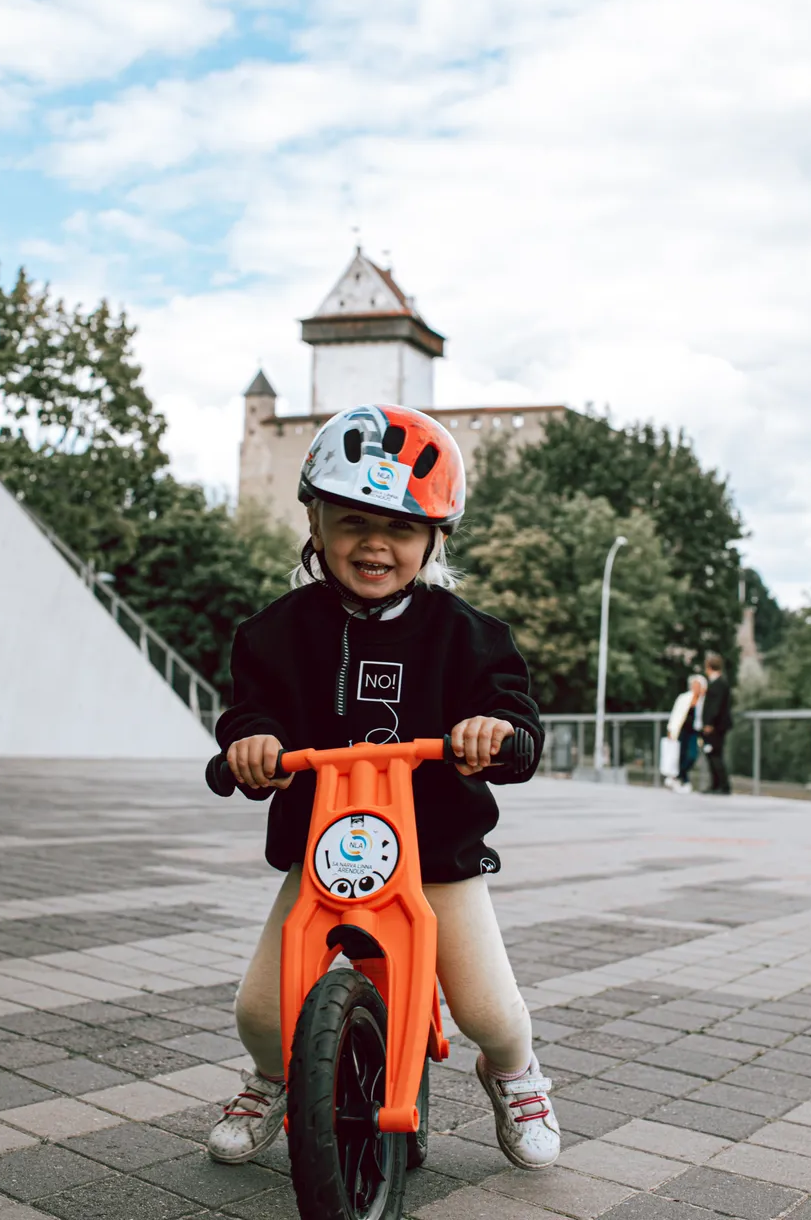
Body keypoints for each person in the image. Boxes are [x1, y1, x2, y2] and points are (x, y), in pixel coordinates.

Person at [207, 404, 560, 1173]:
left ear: (434, 539)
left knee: (486, 1009)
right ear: (315, 520)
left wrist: (494, 736)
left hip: (436, 856)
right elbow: (247, 712)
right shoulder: (274, 632)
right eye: (351, 521)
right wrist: (249, 744)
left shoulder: (469, 635)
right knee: (261, 1011)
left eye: (401, 528)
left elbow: (516, 721)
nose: (375, 544)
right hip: (323, 853)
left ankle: (514, 1072)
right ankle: (275, 1075)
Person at [665, 674, 707, 792]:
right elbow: (675, 714)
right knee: (680, 754)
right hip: (681, 730)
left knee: (692, 755)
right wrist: (670, 730)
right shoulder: (684, 698)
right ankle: (684, 780)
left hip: (695, 732)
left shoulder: (703, 700)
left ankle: (678, 775)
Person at [702, 652, 732, 795]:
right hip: (715, 725)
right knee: (712, 754)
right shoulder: (716, 683)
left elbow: (716, 706)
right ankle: (715, 784)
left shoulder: (719, 684)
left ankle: (723, 785)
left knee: (715, 754)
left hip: (716, 726)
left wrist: (709, 723)